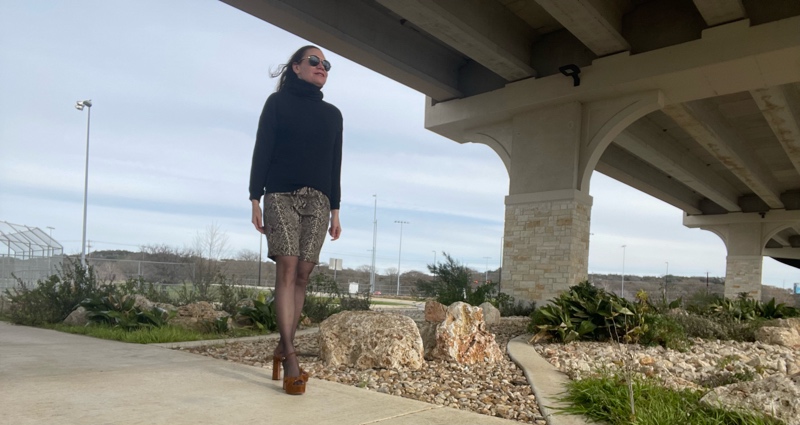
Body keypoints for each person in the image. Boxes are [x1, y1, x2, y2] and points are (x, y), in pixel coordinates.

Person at [249, 45, 343, 395]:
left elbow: (335, 164)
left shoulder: (333, 115)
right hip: (280, 195)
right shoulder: (277, 105)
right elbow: (263, 148)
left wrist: (335, 208)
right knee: (286, 266)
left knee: (303, 274)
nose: (322, 67)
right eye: (315, 61)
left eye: (326, 64)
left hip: (319, 200)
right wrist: (254, 196)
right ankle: (290, 357)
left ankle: (280, 345)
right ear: (297, 67)